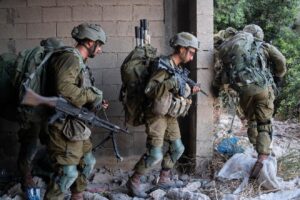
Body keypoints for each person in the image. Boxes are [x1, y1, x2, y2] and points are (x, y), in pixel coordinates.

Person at [126, 32, 201, 197]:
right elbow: (149, 90)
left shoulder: (178, 68)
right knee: (155, 153)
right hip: (156, 114)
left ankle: (164, 179)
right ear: (181, 48)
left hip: (169, 113)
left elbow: (176, 92)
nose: (192, 57)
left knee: (177, 148)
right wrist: (171, 82)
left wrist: (189, 90)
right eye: (190, 52)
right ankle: (134, 181)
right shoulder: (163, 65)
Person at [43, 23, 108, 200]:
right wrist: (92, 95)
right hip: (63, 125)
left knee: (88, 162)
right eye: (99, 45)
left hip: (76, 124)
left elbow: (78, 92)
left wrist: (96, 101)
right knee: (68, 173)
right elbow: (64, 89)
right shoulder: (71, 58)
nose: (100, 49)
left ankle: (77, 196)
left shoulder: (80, 62)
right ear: (89, 42)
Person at [213, 24, 286, 178]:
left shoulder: (234, 47)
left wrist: (216, 88)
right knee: (264, 123)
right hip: (262, 89)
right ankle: (263, 157)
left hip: (243, 90)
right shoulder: (262, 45)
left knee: (252, 121)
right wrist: (279, 74)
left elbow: (222, 73)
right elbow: (280, 59)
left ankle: (255, 150)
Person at [15, 37, 65, 191]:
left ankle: (42, 170)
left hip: (45, 112)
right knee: (30, 142)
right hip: (33, 113)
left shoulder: (52, 65)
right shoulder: (38, 67)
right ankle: (26, 178)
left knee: (49, 139)